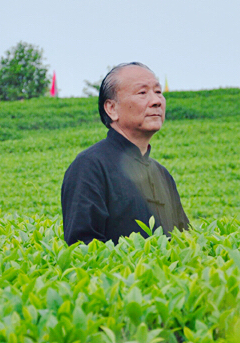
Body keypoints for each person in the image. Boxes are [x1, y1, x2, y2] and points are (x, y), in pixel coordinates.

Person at [61, 62, 190, 245]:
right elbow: (82, 248)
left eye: (158, 92)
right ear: (112, 109)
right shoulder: (90, 166)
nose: (156, 101)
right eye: (142, 93)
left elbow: (184, 242)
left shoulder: (162, 175)